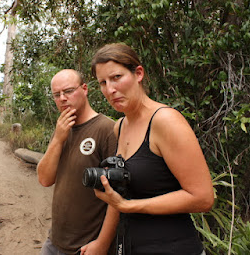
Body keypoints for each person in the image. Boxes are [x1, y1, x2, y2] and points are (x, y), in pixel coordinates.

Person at [90, 43, 215, 255]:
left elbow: (203, 198)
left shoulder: (165, 121)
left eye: (117, 77)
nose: (110, 89)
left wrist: (130, 206)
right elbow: (119, 195)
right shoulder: (120, 127)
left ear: (138, 73)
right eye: (103, 82)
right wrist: (101, 244)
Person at [37, 69, 120, 255]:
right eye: (56, 95)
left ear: (84, 89)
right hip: (55, 240)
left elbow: (118, 196)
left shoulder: (106, 129)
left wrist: (102, 243)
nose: (62, 98)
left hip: (86, 246)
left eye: (68, 91)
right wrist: (58, 139)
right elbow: (44, 179)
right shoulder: (62, 129)